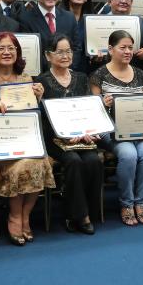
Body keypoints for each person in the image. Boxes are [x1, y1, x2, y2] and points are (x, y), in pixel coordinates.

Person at [0, 31, 54, 244]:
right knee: (20, 166)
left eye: (11, 48)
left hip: (24, 139)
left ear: (18, 52)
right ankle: (15, 215)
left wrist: (38, 98)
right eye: (1, 48)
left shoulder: (26, 79)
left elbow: (32, 115)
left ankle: (25, 215)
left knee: (40, 161)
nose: (7, 52)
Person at [89, 30, 143, 226]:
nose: (128, 51)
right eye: (123, 47)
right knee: (129, 155)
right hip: (112, 131)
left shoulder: (141, 74)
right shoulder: (99, 75)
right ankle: (126, 203)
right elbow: (93, 111)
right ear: (111, 49)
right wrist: (103, 104)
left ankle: (141, 201)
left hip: (140, 128)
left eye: (130, 47)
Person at [34, 34, 102, 234]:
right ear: (48, 55)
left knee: (93, 160)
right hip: (54, 138)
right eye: (60, 52)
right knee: (73, 161)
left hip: (82, 136)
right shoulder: (41, 81)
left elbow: (90, 109)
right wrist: (63, 134)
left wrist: (88, 131)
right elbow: (42, 118)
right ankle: (77, 216)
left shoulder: (81, 77)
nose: (65, 56)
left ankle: (89, 211)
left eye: (68, 51)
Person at [15, 0, 82, 71]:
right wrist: (53, 71)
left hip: (68, 74)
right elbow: (30, 53)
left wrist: (67, 68)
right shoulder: (25, 19)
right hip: (41, 76)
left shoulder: (69, 18)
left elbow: (76, 49)